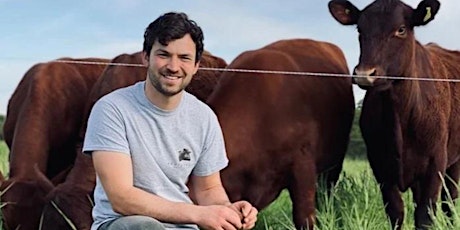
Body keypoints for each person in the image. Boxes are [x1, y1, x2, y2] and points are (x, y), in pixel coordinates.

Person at [83, 12, 258, 230]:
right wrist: (198, 214)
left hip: (183, 225)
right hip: (124, 224)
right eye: (164, 55)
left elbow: (208, 190)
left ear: (196, 66)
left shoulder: (204, 118)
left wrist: (228, 210)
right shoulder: (112, 109)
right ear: (146, 57)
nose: (173, 67)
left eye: (184, 58)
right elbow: (121, 197)